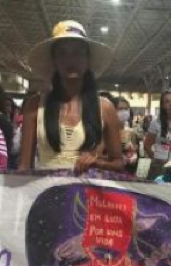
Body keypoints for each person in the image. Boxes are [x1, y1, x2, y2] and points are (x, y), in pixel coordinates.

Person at [20, 20, 123, 173]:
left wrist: (98, 163)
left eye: (78, 52)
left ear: (88, 60)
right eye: (63, 53)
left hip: (87, 187)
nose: (71, 59)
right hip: (45, 187)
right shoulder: (35, 106)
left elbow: (118, 163)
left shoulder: (105, 107)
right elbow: (24, 166)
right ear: (54, 61)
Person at [114, 96, 138, 173]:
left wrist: (132, 154)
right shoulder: (107, 131)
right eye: (120, 109)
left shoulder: (131, 132)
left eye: (126, 109)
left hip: (127, 171)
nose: (124, 112)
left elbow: (134, 156)